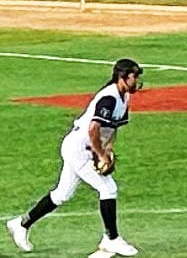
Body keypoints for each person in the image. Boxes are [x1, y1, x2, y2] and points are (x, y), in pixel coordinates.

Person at [7, 58, 142, 257]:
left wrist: (108, 150)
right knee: (108, 188)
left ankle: (21, 223)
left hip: (83, 148)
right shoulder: (109, 97)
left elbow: (112, 127)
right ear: (123, 77)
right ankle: (111, 239)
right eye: (134, 77)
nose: (136, 81)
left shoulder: (124, 98)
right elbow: (93, 128)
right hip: (78, 148)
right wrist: (100, 153)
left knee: (62, 194)